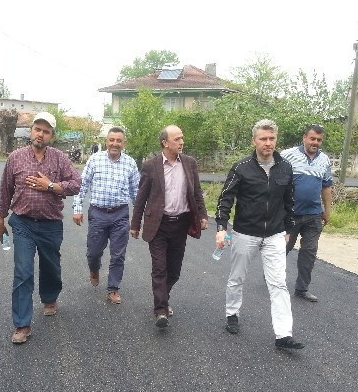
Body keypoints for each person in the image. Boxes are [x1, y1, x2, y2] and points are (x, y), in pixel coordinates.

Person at [215, 119, 304, 350]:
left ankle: (283, 334)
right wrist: (221, 228)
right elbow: (226, 199)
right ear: (254, 141)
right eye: (263, 139)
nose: (268, 143)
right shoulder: (241, 167)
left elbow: (290, 201)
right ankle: (232, 313)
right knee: (237, 277)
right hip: (245, 232)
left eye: (272, 138)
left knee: (279, 283)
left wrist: (289, 229)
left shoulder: (285, 167)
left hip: (275, 234)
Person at [0, 112, 81, 345]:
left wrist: (51, 185)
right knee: (23, 272)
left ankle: (50, 297)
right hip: (22, 224)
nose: (40, 134)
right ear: (31, 131)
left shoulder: (60, 159)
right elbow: (5, 190)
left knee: (51, 267)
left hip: (51, 225)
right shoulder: (16, 158)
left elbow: (76, 184)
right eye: (37, 129)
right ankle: (22, 324)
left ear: (52, 135)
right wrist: (0, 218)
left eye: (46, 131)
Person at [131, 125, 208, 328]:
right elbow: (141, 198)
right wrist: (135, 224)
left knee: (174, 270)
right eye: (177, 139)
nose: (182, 142)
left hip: (180, 224)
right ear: (165, 143)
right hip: (158, 224)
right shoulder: (150, 166)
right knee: (159, 268)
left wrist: (202, 215)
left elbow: (197, 193)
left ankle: (163, 298)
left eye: (182, 138)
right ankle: (160, 310)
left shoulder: (190, 163)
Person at [72, 127, 140, 305]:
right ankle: (94, 269)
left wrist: (139, 217)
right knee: (93, 252)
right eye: (112, 140)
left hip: (120, 215)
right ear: (106, 141)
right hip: (98, 214)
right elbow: (81, 185)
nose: (115, 144)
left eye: (119, 140)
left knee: (118, 255)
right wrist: (77, 208)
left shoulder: (130, 163)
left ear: (123, 143)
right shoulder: (95, 160)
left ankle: (113, 288)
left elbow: (136, 193)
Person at [281, 124, 333, 303]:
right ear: (304, 138)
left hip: (314, 215)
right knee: (283, 248)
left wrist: (327, 210)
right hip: (290, 215)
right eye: (312, 139)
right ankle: (273, 278)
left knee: (309, 252)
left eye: (319, 140)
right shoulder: (287, 155)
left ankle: (302, 289)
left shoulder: (324, 160)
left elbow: (326, 186)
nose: (315, 142)